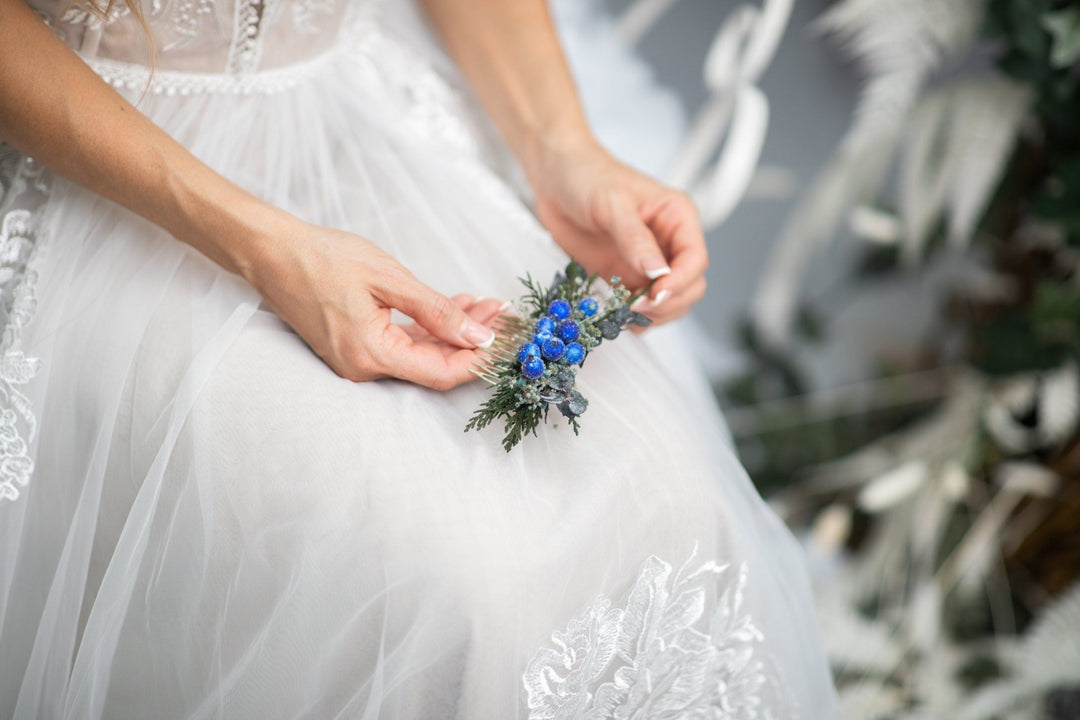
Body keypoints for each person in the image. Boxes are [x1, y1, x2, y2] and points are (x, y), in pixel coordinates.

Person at [0, 0, 838, 716]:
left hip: (360, 122)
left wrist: (564, 152)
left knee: (671, 504)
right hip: (114, 172)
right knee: (450, 584)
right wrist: (267, 248)